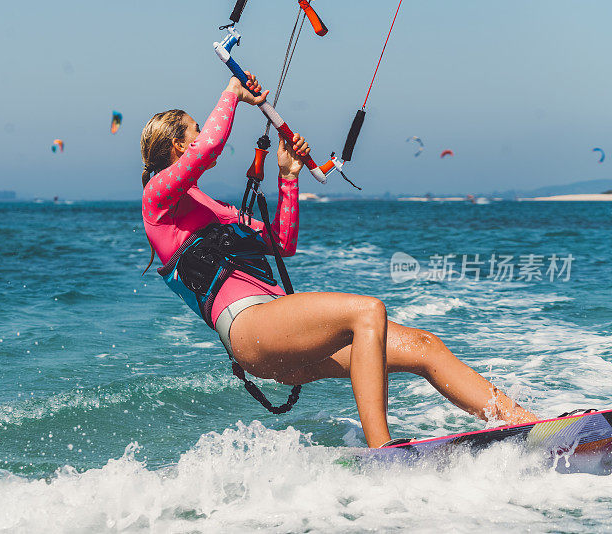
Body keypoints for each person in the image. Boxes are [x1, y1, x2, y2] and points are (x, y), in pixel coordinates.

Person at [139, 73, 538, 448]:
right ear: (178, 145)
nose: (201, 134)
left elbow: (282, 243)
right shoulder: (157, 200)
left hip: (278, 327)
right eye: (194, 129)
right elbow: (209, 147)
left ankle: (528, 426)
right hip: (249, 329)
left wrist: (288, 175)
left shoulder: (213, 208)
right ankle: (384, 450)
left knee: (423, 345)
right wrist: (232, 91)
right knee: (367, 312)